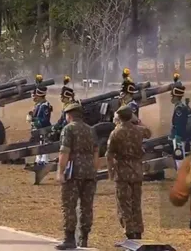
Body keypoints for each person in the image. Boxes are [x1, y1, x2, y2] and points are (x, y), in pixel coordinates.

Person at [56, 102, 99, 250]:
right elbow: (95, 152)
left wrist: (60, 172)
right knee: (87, 206)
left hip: (73, 172)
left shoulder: (68, 129)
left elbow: (64, 152)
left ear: (69, 115)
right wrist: (93, 170)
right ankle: (84, 238)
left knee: (69, 205)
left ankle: (69, 238)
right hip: (89, 172)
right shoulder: (90, 130)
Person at [106, 105, 152, 240]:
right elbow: (149, 132)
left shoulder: (116, 133)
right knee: (136, 203)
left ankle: (129, 232)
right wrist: (136, 120)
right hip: (137, 171)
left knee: (124, 203)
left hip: (122, 173)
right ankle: (138, 231)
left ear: (119, 117)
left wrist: (110, 172)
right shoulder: (139, 130)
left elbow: (109, 155)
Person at [27, 82, 52, 165]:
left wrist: (34, 120)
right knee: (39, 144)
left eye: (36, 95)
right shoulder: (38, 105)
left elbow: (45, 120)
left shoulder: (45, 105)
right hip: (38, 129)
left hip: (43, 129)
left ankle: (44, 159)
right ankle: (38, 158)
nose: (35, 97)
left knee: (44, 144)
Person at [170, 73, 190, 170]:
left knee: (179, 158)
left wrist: (177, 137)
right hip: (178, 135)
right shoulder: (179, 107)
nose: (171, 98)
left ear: (176, 97)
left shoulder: (179, 109)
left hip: (179, 136)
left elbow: (179, 125)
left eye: (172, 96)